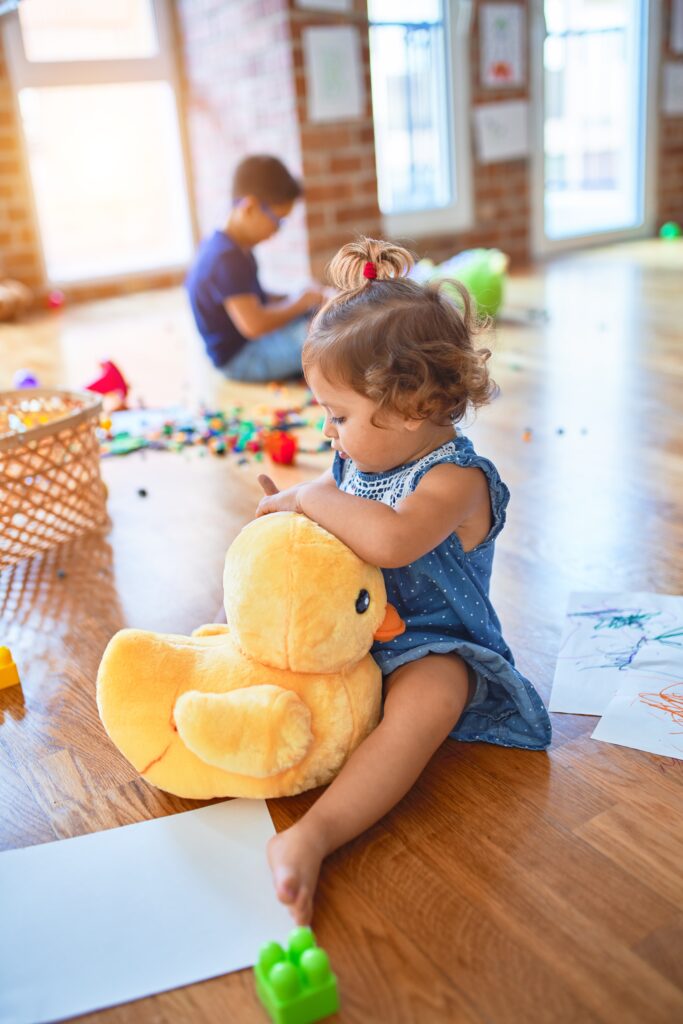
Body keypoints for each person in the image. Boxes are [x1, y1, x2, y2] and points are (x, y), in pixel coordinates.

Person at [255, 236, 552, 925]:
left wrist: (310, 499)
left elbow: (388, 542)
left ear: (415, 404)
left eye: (338, 416)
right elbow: (336, 539)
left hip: (434, 645)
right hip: (358, 633)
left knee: (427, 702)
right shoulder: (358, 460)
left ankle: (314, 836)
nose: (329, 434)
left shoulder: (453, 478)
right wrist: (285, 531)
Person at [186, 155, 324, 381]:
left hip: (251, 346)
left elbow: (254, 298)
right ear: (249, 207)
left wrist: (297, 297)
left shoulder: (234, 247)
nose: (277, 230)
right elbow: (254, 324)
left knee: (315, 320)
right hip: (241, 360)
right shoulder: (226, 258)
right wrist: (301, 302)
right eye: (277, 220)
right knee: (324, 337)